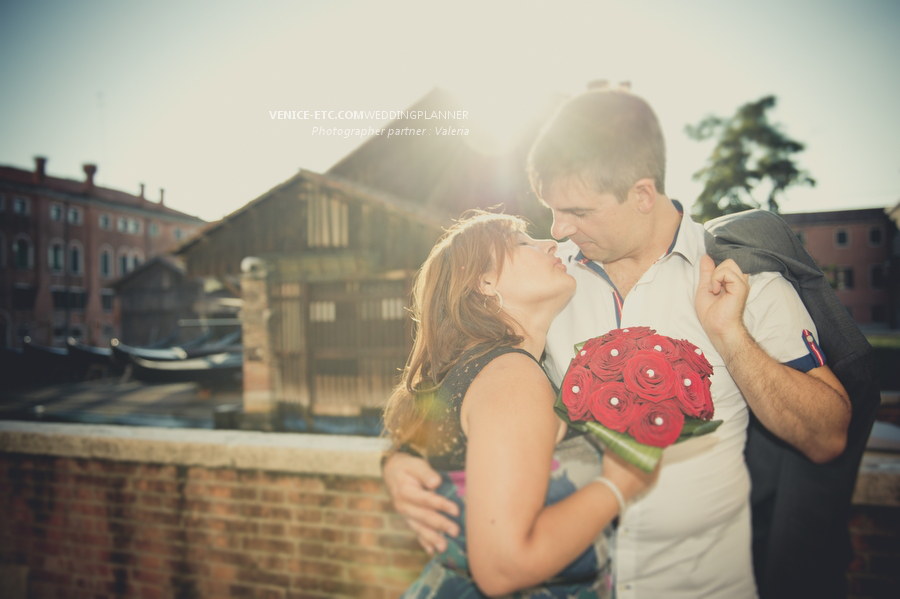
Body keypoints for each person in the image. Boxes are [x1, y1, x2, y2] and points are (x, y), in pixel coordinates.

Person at [383, 89, 852, 598]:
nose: (559, 230)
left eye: (578, 211)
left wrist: (731, 336)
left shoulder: (745, 281)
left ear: (642, 195)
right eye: (553, 210)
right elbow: (463, 383)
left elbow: (827, 437)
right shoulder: (549, 280)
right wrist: (401, 459)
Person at [382, 211, 657, 597]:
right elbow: (503, 567)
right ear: (486, 282)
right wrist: (618, 484)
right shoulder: (511, 375)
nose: (550, 243)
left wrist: (393, 459)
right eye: (524, 242)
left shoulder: (482, 369)